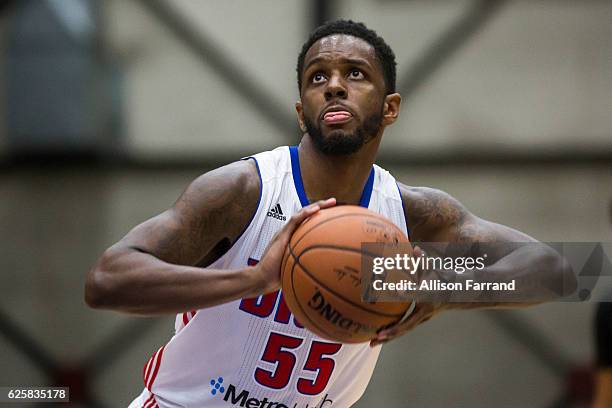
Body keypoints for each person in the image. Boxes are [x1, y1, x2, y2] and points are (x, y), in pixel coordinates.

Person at [86, 20, 574, 408]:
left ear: (390, 108)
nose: (334, 86)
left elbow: (560, 271)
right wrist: (256, 280)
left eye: (355, 74)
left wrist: (442, 285)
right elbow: (107, 280)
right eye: (318, 77)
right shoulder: (243, 191)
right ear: (302, 111)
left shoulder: (410, 212)